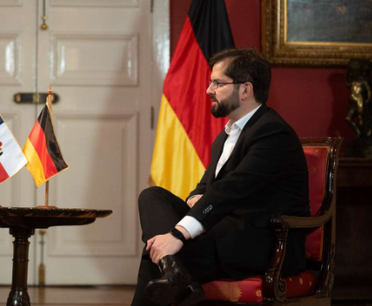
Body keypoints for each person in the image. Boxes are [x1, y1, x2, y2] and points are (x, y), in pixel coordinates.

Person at [132, 48, 310, 306]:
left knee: (155, 250)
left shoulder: (272, 133)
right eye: (210, 82)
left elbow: (229, 190)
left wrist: (178, 235)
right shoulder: (226, 134)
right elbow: (203, 187)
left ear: (245, 90)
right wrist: (196, 198)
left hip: (261, 245)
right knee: (152, 196)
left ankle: (174, 272)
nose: (209, 90)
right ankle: (173, 272)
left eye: (218, 83)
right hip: (222, 236)